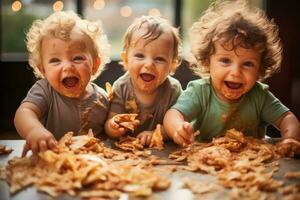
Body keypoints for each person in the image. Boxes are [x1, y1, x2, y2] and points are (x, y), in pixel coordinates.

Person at [163, 0, 300, 153]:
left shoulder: (259, 96)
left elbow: (288, 119)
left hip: (253, 167)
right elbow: (173, 114)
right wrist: (178, 129)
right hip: (203, 162)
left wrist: (290, 139)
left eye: (248, 64)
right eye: (225, 60)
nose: (235, 72)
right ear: (208, 61)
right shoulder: (200, 92)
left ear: (260, 69)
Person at [14, 11, 111, 156]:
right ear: (43, 70)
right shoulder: (45, 91)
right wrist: (34, 131)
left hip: (93, 166)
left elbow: (109, 135)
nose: (67, 67)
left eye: (77, 58)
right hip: (52, 162)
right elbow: (23, 113)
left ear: (94, 65)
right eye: (55, 60)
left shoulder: (102, 99)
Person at [105, 15, 182, 146]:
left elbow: (177, 126)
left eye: (159, 59)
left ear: (172, 65)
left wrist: (158, 133)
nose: (149, 64)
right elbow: (110, 122)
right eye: (140, 56)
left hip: (163, 154)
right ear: (126, 60)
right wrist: (113, 127)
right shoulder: (121, 87)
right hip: (124, 154)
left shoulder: (173, 90)